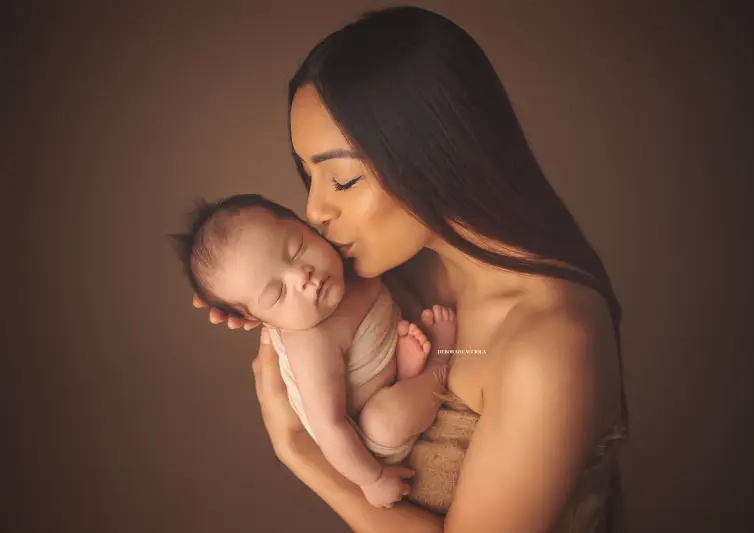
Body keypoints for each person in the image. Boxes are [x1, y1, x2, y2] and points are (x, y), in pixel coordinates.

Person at [193, 6, 628, 533]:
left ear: (432, 152)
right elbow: (333, 354)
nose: (314, 210)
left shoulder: (550, 344)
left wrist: (297, 449)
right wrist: (259, 300)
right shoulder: (383, 274)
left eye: (343, 180)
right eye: (307, 176)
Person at [170, 193, 458, 508]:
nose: (300, 275)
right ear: (256, 319)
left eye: (297, 248)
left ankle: (404, 373)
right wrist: (372, 479)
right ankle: (437, 365)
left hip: (385, 366)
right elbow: (330, 425)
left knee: (402, 328)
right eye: (277, 293)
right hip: (365, 440)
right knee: (384, 421)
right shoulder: (310, 342)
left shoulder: (351, 266)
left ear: (307, 227)